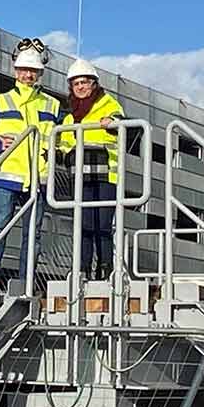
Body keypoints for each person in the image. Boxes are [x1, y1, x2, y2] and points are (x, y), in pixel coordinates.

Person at [0, 38, 61, 293]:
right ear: (16, 71)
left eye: (33, 71)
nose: (28, 75)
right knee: (0, 226)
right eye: (25, 70)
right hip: (7, 176)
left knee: (33, 234)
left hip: (38, 179)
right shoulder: (0, 102)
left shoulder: (53, 105)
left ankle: (26, 281)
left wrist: (59, 149)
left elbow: (67, 133)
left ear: (40, 73)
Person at [59, 59, 123, 279]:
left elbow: (120, 123)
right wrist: (65, 153)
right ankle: (82, 269)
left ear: (94, 84)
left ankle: (106, 269)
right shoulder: (70, 116)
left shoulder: (109, 104)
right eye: (76, 84)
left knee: (103, 224)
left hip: (106, 174)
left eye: (85, 82)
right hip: (80, 174)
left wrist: (112, 122)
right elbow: (65, 144)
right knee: (84, 224)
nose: (80, 87)